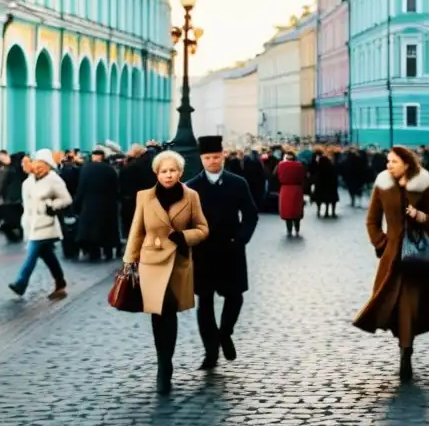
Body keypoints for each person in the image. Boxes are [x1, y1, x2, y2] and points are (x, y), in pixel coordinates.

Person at [353, 145, 429, 383]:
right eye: (387, 161)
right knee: (391, 304)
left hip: (416, 259)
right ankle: (404, 345)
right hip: (391, 258)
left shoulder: (425, 186)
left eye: (393, 161)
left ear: (406, 163)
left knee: (410, 306)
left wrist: (420, 216)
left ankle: (406, 352)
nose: (388, 165)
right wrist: (382, 244)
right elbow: (372, 221)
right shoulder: (382, 184)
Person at [123, 150, 210, 395]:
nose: (168, 175)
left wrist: (184, 236)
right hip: (151, 263)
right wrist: (129, 260)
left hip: (178, 262)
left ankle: (165, 363)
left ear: (180, 173)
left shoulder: (191, 196)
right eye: (164, 171)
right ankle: (163, 363)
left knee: (169, 313)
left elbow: (203, 228)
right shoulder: (144, 197)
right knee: (158, 315)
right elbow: (136, 231)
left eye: (173, 171)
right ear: (156, 173)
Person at [186, 135, 259, 370]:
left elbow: (250, 215)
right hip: (203, 252)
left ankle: (225, 332)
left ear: (223, 156)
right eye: (207, 158)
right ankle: (210, 351)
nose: (212, 161)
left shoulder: (238, 183)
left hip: (231, 249)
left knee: (235, 296)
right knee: (204, 301)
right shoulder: (191, 188)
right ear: (201, 159)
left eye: (216, 157)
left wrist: (241, 240)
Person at [9, 149, 73, 299]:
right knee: (48, 255)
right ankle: (60, 282)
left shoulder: (54, 179)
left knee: (32, 252)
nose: (38, 168)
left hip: (46, 223)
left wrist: (51, 205)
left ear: (48, 166)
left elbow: (66, 199)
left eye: (42, 165)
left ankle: (21, 283)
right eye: (37, 164)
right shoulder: (28, 181)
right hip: (30, 224)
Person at [73, 148, 121, 261]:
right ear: (103, 157)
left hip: (89, 204)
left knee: (91, 231)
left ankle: (94, 254)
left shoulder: (86, 169)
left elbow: (81, 188)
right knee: (108, 229)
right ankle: (108, 252)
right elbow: (116, 188)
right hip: (108, 205)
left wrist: (76, 204)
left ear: (93, 157)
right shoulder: (110, 170)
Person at [0, 152, 27, 242]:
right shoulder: (21, 170)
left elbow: (4, 185)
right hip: (18, 199)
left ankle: (14, 236)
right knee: (18, 219)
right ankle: (18, 235)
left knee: (13, 219)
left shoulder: (11, 169)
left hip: (11, 199)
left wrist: (0, 196)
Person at [276, 154, 306, 236]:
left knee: (287, 209)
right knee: (297, 208)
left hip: (285, 189)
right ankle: (297, 227)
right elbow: (303, 176)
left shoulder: (281, 165)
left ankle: (289, 228)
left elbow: (276, 175)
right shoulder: (299, 165)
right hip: (297, 189)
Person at [311, 147, 340, 218]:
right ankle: (331, 212)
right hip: (331, 187)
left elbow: (314, 174)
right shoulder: (332, 168)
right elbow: (335, 177)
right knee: (331, 200)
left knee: (319, 200)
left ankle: (318, 211)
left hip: (320, 187)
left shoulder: (319, 169)